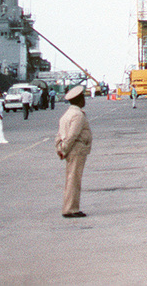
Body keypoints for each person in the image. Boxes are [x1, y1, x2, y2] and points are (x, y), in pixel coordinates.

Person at [56, 85, 91, 216]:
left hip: (69, 150)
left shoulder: (66, 115)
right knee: (74, 180)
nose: (84, 100)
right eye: (83, 98)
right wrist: (64, 149)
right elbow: (72, 135)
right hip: (76, 149)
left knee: (71, 179)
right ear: (79, 100)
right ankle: (71, 209)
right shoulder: (78, 115)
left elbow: (59, 134)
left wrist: (59, 149)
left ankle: (69, 207)